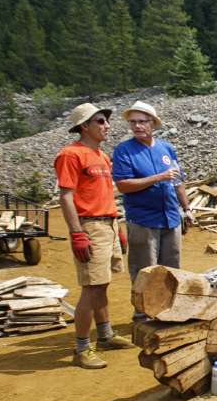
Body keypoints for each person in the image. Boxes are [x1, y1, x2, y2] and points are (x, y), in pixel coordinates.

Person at [54, 103, 133, 369]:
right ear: (84, 126)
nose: (106, 125)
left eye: (106, 121)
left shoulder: (102, 156)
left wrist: (116, 226)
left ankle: (105, 335)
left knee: (103, 283)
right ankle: (81, 347)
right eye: (100, 121)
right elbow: (66, 196)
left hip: (107, 224)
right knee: (90, 288)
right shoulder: (71, 155)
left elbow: (105, 195)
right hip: (89, 226)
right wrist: (77, 233)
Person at [111, 101, 193, 321]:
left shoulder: (166, 148)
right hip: (143, 220)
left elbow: (178, 181)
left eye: (142, 121)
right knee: (145, 269)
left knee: (172, 267)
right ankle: (143, 313)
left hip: (171, 218)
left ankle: (168, 310)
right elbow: (123, 185)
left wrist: (186, 208)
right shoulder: (124, 151)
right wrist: (158, 177)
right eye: (133, 122)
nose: (137, 126)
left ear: (153, 124)